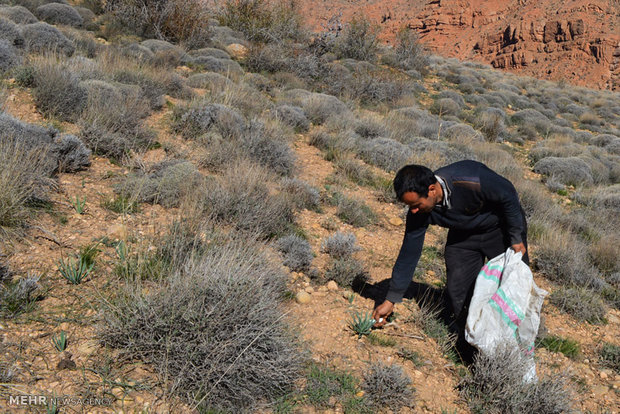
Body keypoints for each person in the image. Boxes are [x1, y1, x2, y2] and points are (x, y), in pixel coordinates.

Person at [372, 160, 529, 354]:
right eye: (409, 206)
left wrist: (515, 237)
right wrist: (391, 300)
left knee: (512, 285)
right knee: (459, 289)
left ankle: (516, 347)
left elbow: (508, 194)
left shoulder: (470, 180)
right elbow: (409, 254)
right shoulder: (418, 212)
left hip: (500, 229)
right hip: (463, 234)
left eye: (416, 205)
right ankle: (473, 346)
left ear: (431, 189)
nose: (412, 211)